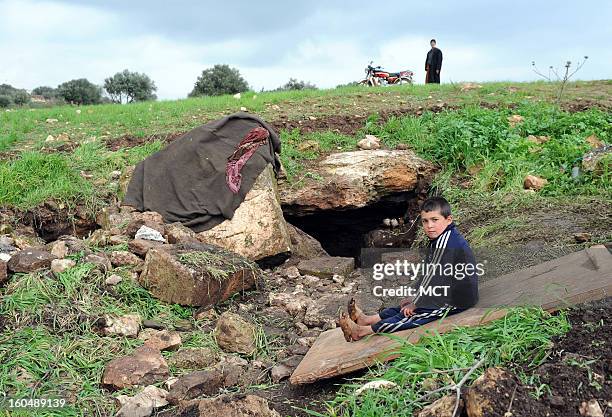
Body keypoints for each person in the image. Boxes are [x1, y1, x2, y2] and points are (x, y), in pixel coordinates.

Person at [338, 196, 479, 342]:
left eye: (434, 220)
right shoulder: (441, 238)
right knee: (403, 306)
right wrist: (414, 296)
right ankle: (367, 319)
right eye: (425, 221)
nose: (429, 225)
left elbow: (434, 279)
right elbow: (429, 273)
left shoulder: (446, 243)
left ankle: (362, 331)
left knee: (412, 314)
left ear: (448, 220)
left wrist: (416, 302)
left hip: (457, 300)